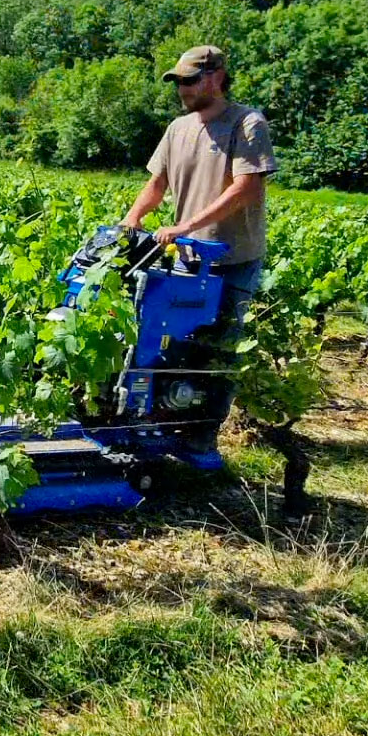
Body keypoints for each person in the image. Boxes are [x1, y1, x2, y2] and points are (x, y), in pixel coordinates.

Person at [118, 45, 276, 455]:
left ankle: (201, 438)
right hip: (186, 257)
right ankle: (165, 423)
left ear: (217, 76)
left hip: (231, 259)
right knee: (175, 344)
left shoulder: (246, 124)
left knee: (217, 350)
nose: (182, 89)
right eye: (178, 82)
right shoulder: (179, 129)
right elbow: (157, 184)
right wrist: (132, 219)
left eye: (190, 80)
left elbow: (247, 188)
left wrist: (186, 224)